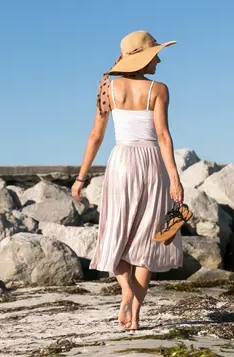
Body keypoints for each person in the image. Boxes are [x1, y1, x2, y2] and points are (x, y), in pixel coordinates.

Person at [71, 30, 184, 331]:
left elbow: (96, 136)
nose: (158, 59)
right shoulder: (159, 89)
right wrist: (175, 178)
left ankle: (126, 291)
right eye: (154, 54)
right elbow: (163, 136)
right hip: (151, 166)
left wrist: (80, 178)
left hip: (121, 164)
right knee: (150, 239)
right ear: (142, 58)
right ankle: (134, 315)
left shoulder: (108, 86)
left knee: (117, 234)